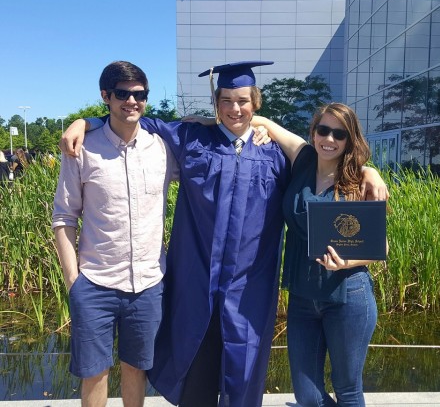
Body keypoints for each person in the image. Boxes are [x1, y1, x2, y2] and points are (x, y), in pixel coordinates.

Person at [60, 62, 387, 407]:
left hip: (250, 293)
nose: (235, 108)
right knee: (195, 373)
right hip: (197, 288)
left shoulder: (276, 155)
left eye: (243, 100)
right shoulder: (191, 139)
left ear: (255, 103)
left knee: (245, 377)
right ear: (216, 104)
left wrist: (369, 170)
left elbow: (334, 164)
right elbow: (135, 122)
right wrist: (87, 121)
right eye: (226, 100)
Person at [52, 61, 178, 407]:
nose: (132, 101)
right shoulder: (82, 148)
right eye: (122, 93)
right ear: (105, 96)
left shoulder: (162, 148)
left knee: (136, 369)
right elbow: (64, 217)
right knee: (94, 372)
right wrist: (72, 281)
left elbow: (205, 135)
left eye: (139, 94)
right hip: (94, 282)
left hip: (149, 284)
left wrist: (257, 125)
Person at [252, 103, 381, 406]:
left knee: (347, 389)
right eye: (323, 130)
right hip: (302, 296)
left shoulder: (358, 181)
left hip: (348, 294)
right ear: (313, 132)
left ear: (349, 140)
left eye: (340, 134)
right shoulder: (303, 159)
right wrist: (210, 121)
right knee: (307, 395)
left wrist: (348, 261)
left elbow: (381, 247)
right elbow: (261, 119)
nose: (329, 139)